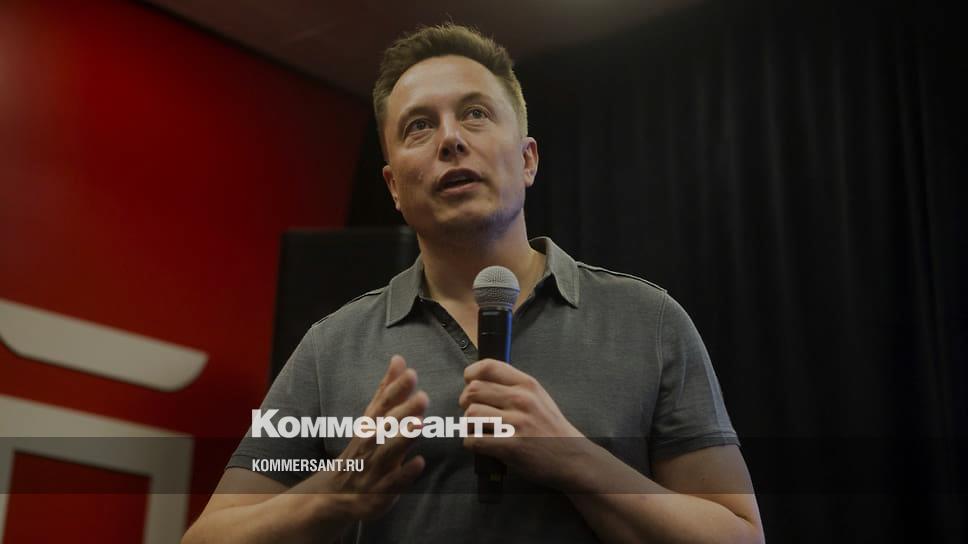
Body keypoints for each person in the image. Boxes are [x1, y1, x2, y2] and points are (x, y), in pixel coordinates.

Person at [183, 23, 764, 544]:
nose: (450, 139)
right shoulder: (330, 348)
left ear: (528, 159)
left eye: (476, 114)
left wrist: (574, 459)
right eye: (419, 126)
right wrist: (331, 494)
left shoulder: (648, 321)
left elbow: (739, 534)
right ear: (393, 187)